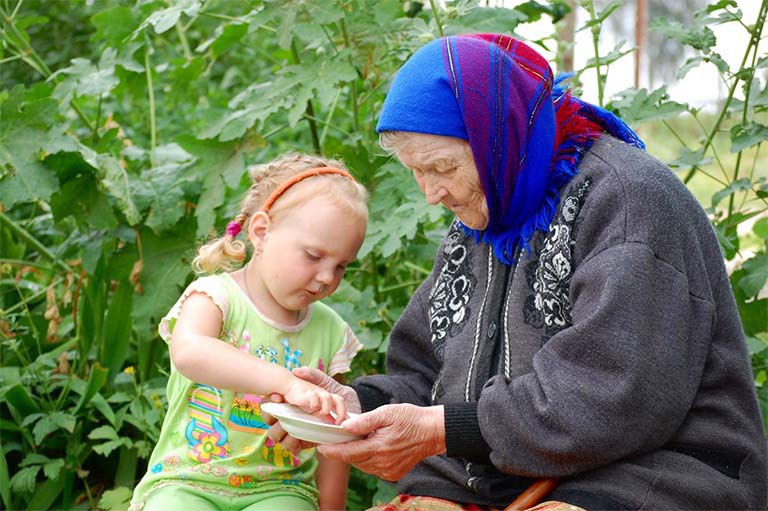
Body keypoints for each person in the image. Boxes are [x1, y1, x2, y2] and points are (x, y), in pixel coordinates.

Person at [273, 34, 768, 510]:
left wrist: (445, 428)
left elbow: (615, 396)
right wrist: (355, 407)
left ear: (497, 137)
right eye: (416, 172)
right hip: (489, 480)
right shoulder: (484, 216)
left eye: (442, 168)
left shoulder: (627, 200)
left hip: (650, 477)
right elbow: (427, 375)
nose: (431, 194)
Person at [129, 154, 369, 511]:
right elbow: (190, 352)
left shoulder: (331, 331)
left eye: (341, 266)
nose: (326, 278)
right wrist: (287, 383)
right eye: (313, 256)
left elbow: (332, 432)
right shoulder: (215, 298)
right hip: (187, 479)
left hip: (279, 489)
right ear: (262, 231)